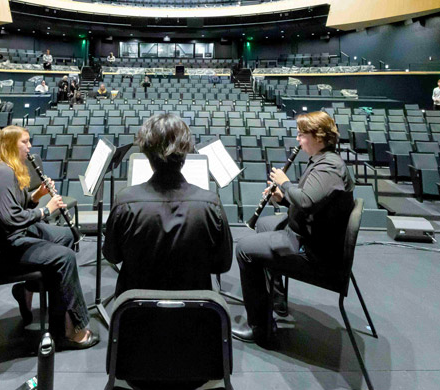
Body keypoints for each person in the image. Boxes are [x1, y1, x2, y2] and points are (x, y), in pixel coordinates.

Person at [0, 126, 98, 348]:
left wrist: (37, 196)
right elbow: (11, 219)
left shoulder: (8, 168)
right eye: (25, 142)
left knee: (66, 236)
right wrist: (46, 210)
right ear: (10, 145)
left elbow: (15, 206)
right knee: (64, 258)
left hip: (8, 237)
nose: (29, 147)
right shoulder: (1, 174)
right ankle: (70, 330)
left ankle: (28, 292)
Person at [233, 111, 351, 346]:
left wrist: (284, 183)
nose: (298, 139)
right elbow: (314, 205)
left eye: (301, 135)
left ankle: (260, 328)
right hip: (310, 231)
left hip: (313, 250)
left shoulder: (329, 168)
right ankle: (276, 298)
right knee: (265, 223)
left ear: (318, 137)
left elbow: (306, 201)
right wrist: (283, 198)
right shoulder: (322, 160)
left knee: (244, 249)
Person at [104, 114, 232, 296]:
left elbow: (112, 256)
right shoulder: (211, 204)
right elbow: (222, 264)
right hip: (195, 310)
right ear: (186, 149)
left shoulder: (124, 202)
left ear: (145, 151)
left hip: (136, 311)